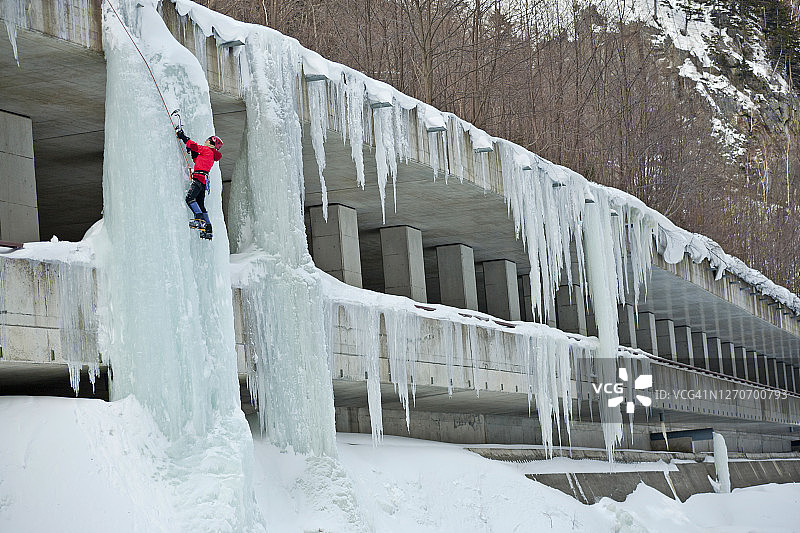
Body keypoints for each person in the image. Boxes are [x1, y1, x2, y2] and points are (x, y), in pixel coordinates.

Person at [175, 127, 223, 240]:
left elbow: (194, 146)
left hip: (198, 179)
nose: (205, 141)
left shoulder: (207, 150)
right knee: (200, 204)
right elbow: (198, 161)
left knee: (190, 198)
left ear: (211, 143)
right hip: (203, 181)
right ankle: (208, 228)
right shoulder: (211, 155)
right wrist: (193, 153)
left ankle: (199, 219)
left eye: (207, 140)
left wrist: (183, 136)